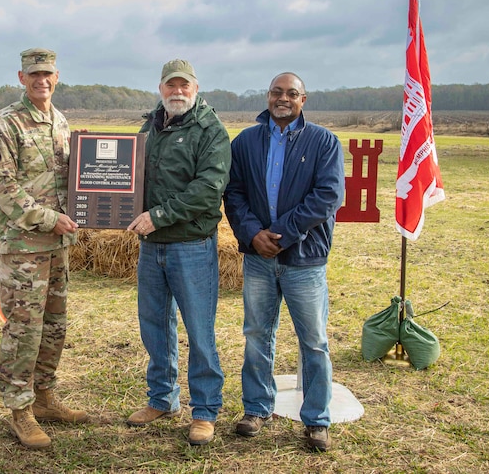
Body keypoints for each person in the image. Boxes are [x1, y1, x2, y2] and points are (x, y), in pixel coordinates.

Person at [223, 72, 345, 452]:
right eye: (277, 92)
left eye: (292, 93)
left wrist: (280, 234)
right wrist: (252, 234)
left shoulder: (324, 142)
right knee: (257, 334)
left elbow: (327, 196)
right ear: (267, 96)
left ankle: (317, 420)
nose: (283, 98)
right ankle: (257, 409)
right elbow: (234, 192)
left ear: (303, 99)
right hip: (259, 259)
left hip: (304, 260)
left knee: (314, 341)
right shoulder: (245, 141)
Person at [0, 47, 88, 449]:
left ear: (56, 77)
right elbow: (2, 186)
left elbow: (73, 179)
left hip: (58, 243)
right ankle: (19, 410)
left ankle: (44, 398)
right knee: (24, 329)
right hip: (24, 245)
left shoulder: (60, 121)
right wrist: (48, 218)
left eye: (47, 74)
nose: (41, 80)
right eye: (34, 75)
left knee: (55, 326)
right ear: (21, 78)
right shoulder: (5, 123)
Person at [125, 59, 231, 446]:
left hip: (191, 245)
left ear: (196, 88)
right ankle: (161, 399)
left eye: (184, 85)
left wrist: (159, 216)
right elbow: (128, 176)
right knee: (155, 326)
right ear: (160, 88)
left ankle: (204, 411)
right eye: (171, 85)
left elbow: (208, 189)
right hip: (152, 249)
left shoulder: (211, 131)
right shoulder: (148, 128)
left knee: (199, 331)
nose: (177, 92)